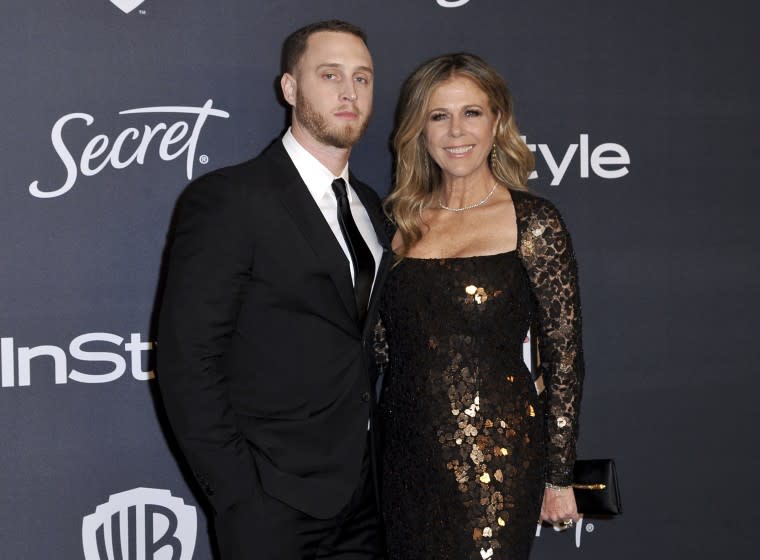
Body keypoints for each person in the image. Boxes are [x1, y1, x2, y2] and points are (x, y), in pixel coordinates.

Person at [156, 20, 390, 560]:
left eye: (363, 78)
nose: (349, 92)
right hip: (272, 504)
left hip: (365, 501)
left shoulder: (373, 206)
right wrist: (239, 495)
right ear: (290, 88)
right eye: (329, 75)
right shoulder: (230, 199)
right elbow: (188, 360)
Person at [377, 53, 584, 559]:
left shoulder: (533, 222)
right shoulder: (397, 223)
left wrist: (558, 476)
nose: (455, 132)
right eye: (438, 115)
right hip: (402, 457)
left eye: (471, 112)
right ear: (419, 129)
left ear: (497, 122)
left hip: (496, 459)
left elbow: (564, 357)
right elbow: (381, 346)